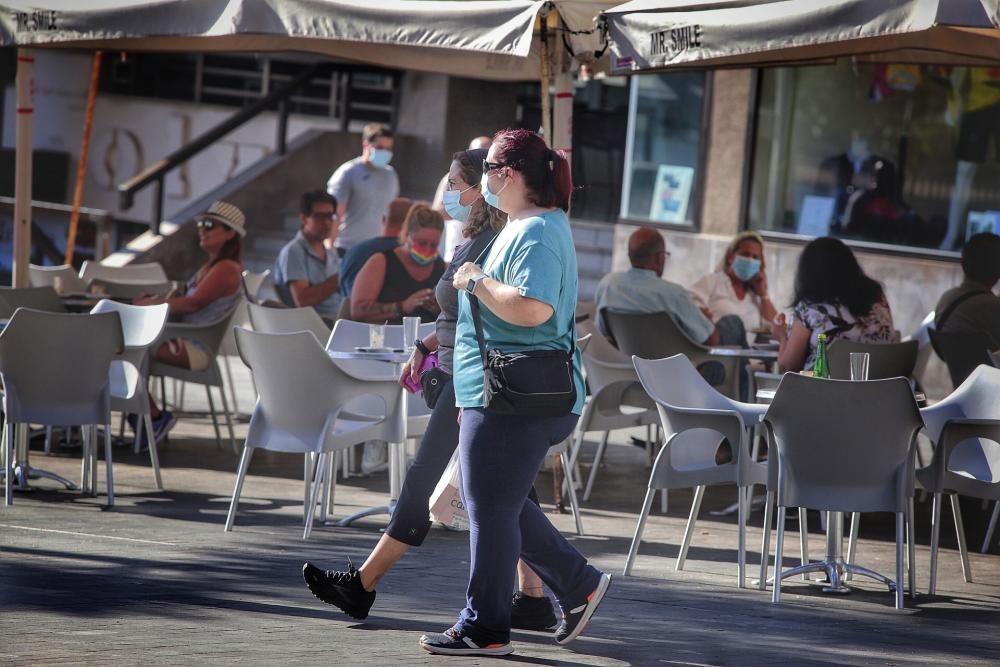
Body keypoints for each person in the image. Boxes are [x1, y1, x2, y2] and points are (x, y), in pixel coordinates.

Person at [302, 147, 559, 632]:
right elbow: (456, 314)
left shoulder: (491, 242)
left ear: (475, 189)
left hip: (470, 380)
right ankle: (534, 596)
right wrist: (425, 344)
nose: (447, 193)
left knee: (426, 482)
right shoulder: (477, 238)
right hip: (459, 371)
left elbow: (486, 313)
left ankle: (363, 585)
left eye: (454, 183)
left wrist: (448, 361)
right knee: (514, 490)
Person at [418, 128, 610, 657]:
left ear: (506, 174)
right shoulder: (524, 225)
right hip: (500, 391)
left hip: (518, 395)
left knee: (491, 508)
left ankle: (487, 625)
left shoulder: (539, 232)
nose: (477, 183)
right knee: (493, 503)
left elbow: (533, 308)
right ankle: (574, 585)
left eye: (485, 172)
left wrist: (476, 279)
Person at [133, 201, 246, 442]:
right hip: (183, 338)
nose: (201, 230)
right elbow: (188, 302)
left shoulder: (226, 268)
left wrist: (153, 305)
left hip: (196, 346)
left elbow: (194, 304)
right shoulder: (211, 266)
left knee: (124, 347)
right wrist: (162, 301)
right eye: (200, 224)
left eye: (209, 225)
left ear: (230, 233)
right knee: (121, 345)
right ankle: (143, 416)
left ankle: (151, 417)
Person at [771, 236, 895, 372]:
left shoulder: (811, 309)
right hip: (880, 389)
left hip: (823, 391)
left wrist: (782, 337)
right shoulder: (877, 298)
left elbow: (790, 366)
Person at [594, 227, 720, 346]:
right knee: (730, 324)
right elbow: (710, 340)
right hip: (669, 366)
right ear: (659, 258)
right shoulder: (674, 294)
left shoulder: (608, 285)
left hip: (622, 363)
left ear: (630, 255)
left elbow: (601, 332)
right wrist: (703, 318)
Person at [350, 203, 446, 324]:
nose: (427, 249)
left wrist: (440, 311)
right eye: (422, 243)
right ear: (407, 235)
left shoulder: (442, 268)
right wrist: (402, 307)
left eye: (433, 245)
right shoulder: (381, 262)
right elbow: (358, 311)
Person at [690, 230, 778, 343]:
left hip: (747, 356)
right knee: (732, 323)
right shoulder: (712, 282)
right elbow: (691, 309)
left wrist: (763, 294)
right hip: (718, 353)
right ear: (731, 256)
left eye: (755, 257)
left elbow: (775, 326)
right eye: (745, 254)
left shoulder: (755, 296)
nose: (750, 260)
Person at [327, 123, 400, 257]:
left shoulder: (391, 175)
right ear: (366, 145)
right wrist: (329, 250)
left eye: (389, 148)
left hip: (376, 251)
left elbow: (391, 215)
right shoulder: (348, 173)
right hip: (346, 249)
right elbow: (334, 214)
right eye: (380, 147)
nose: (385, 152)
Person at [272, 190, 342, 319]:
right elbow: (303, 301)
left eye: (330, 216)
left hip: (336, 320)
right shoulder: (294, 251)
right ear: (304, 219)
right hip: (313, 324)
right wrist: (340, 277)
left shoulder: (330, 253)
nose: (327, 222)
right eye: (320, 217)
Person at [338, 197, 412, 300]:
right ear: (412, 225)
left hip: (346, 314)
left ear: (384, 220)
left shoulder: (354, 251)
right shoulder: (410, 256)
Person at [432, 135, 492, 261]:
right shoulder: (452, 177)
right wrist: (461, 209)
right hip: (455, 250)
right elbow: (437, 210)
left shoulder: (494, 183)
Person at [934, 232, 1000, 344]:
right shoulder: (992, 306)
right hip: (985, 361)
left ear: (963, 264)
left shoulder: (947, 298)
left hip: (956, 361)